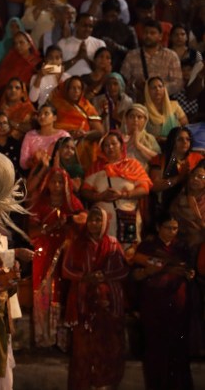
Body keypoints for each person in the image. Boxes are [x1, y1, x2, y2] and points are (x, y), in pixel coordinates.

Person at [62, 206, 128, 390]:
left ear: (106, 222)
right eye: (91, 219)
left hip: (109, 307)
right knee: (82, 352)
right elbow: (66, 270)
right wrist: (85, 277)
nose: (94, 224)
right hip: (83, 306)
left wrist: (104, 276)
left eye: (99, 220)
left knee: (109, 349)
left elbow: (124, 270)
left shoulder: (114, 244)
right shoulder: (77, 244)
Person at [133, 217, 196, 390]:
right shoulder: (148, 247)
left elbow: (187, 268)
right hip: (154, 306)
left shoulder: (182, 247)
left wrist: (187, 273)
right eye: (168, 227)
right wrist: (150, 270)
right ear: (158, 226)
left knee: (178, 350)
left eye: (175, 228)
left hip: (177, 306)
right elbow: (137, 270)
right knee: (156, 350)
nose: (172, 232)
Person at [28, 167, 84, 347]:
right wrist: (51, 227)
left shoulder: (74, 204)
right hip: (44, 251)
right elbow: (31, 232)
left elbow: (83, 229)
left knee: (65, 289)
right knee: (44, 288)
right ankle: (45, 337)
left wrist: (71, 224)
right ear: (48, 183)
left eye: (61, 182)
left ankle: (63, 340)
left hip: (67, 252)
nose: (57, 185)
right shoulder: (40, 205)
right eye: (54, 181)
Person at [81, 132, 152, 244]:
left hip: (128, 218)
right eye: (106, 145)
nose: (110, 147)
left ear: (121, 145)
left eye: (114, 143)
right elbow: (84, 191)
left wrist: (123, 195)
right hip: (102, 222)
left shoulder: (133, 165)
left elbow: (145, 188)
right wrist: (100, 196)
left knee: (128, 253)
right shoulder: (95, 167)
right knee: (103, 252)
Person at [121, 20, 183, 99]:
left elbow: (177, 83)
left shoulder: (171, 56)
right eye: (146, 32)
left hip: (163, 103)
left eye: (152, 33)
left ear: (160, 36)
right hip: (139, 102)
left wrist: (156, 89)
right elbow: (123, 80)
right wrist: (135, 84)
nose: (148, 36)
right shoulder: (132, 56)